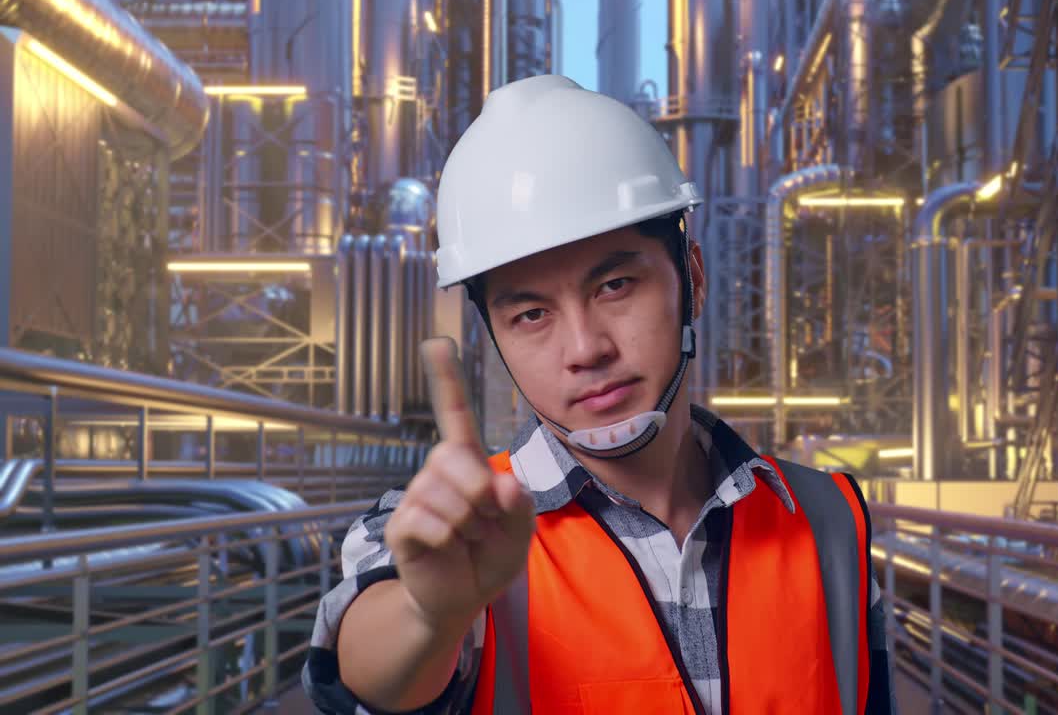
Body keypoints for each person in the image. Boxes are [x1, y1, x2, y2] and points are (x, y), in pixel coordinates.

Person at [303, 74, 897, 715]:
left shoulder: (828, 517)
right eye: (530, 315)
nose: (585, 348)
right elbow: (371, 668)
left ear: (691, 279)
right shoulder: (458, 537)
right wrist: (429, 614)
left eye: (614, 285)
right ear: (495, 337)